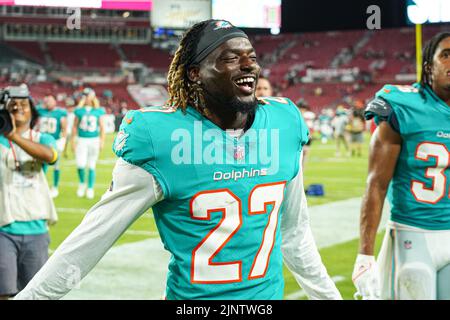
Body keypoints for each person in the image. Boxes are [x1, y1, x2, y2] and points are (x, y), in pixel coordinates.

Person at [15, 20, 341, 300]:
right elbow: (89, 243)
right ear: (196, 74)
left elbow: (295, 234)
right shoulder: (161, 139)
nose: (249, 66)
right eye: (231, 58)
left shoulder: (283, 123)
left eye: (252, 58)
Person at [352, 32, 450, 300]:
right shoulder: (403, 105)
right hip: (413, 233)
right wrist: (364, 254)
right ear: (429, 66)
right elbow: (376, 184)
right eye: (446, 55)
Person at [0, 87, 58, 299]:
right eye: (12, 105)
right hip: (3, 229)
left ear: (33, 111)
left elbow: (50, 156)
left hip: (36, 228)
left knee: (33, 294)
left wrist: (13, 136)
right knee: (4, 293)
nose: (18, 107)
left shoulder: (43, 138)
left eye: (24, 104)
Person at [71, 88, 106, 199]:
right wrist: (72, 141)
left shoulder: (98, 110)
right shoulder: (79, 110)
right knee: (80, 164)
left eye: (87, 95)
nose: (85, 97)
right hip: (81, 140)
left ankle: (90, 188)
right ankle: (82, 184)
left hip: (94, 140)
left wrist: (102, 141)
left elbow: (102, 127)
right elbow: (74, 127)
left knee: (91, 165)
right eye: (84, 96)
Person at [37, 94, 67, 198]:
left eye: (50, 100)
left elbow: (64, 128)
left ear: (55, 102)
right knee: (41, 165)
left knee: (56, 165)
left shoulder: (60, 113)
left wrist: (63, 140)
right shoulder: (40, 110)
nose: (48, 102)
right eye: (47, 100)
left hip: (55, 141)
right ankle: (41, 185)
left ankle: (55, 187)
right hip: (42, 141)